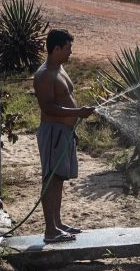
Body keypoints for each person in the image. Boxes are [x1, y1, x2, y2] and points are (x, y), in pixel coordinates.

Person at [33, 29, 95, 243]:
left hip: (64, 133)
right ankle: (50, 230)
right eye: (68, 47)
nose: (71, 52)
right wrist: (78, 113)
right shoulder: (44, 75)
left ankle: (58, 224)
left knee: (58, 179)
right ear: (56, 48)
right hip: (52, 133)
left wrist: (72, 129)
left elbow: (65, 100)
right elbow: (48, 107)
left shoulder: (60, 69)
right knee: (51, 179)